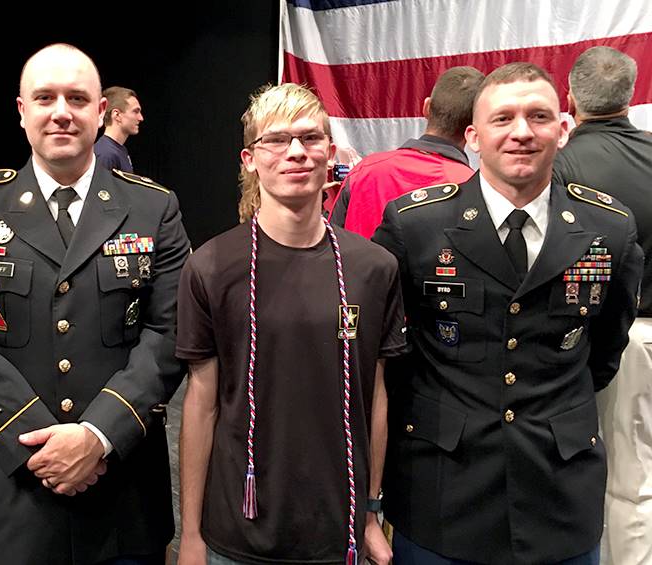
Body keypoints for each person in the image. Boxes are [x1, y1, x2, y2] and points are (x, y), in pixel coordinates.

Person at [0, 43, 190, 565]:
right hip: (14, 495)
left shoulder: (153, 207)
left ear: (100, 111)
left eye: (77, 97)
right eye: (44, 97)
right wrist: (48, 451)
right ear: (22, 112)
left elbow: (169, 331)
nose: (61, 111)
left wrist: (97, 435)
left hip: (123, 497)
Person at [372, 62, 643, 564]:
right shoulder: (416, 226)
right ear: (473, 136)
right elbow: (392, 356)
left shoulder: (609, 228)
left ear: (563, 130)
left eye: (538, 116)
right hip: (443, 491)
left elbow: (604, 350)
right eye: (503, 119)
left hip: (558, 493)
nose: (521, 132)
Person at [175, 82, 401, 565]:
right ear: (249, 159)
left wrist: (370, 513)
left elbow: (375, 396)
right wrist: (191, 535)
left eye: (309, 138)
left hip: (337, 533)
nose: (296, 152)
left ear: (330, 153)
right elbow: (201, 405)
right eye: (277, 140)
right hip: (236, 533)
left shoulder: (374, 268)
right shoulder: (210, 268)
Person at [552, 45, 652, 565]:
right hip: (630, 332)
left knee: (626, 482)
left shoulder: (563, 164)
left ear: (569, 95)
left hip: (621, 336)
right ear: (630, 95)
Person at [330, 66, 483, 238]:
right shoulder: (475, 189)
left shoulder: (363, 172)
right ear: (476, 127)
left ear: (426, 107)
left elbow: (330, 248)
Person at [94, 87, 142, 173]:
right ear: (117, 115)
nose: (141, 118)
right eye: (135, 111)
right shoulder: (105, 154)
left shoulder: (119, 150)